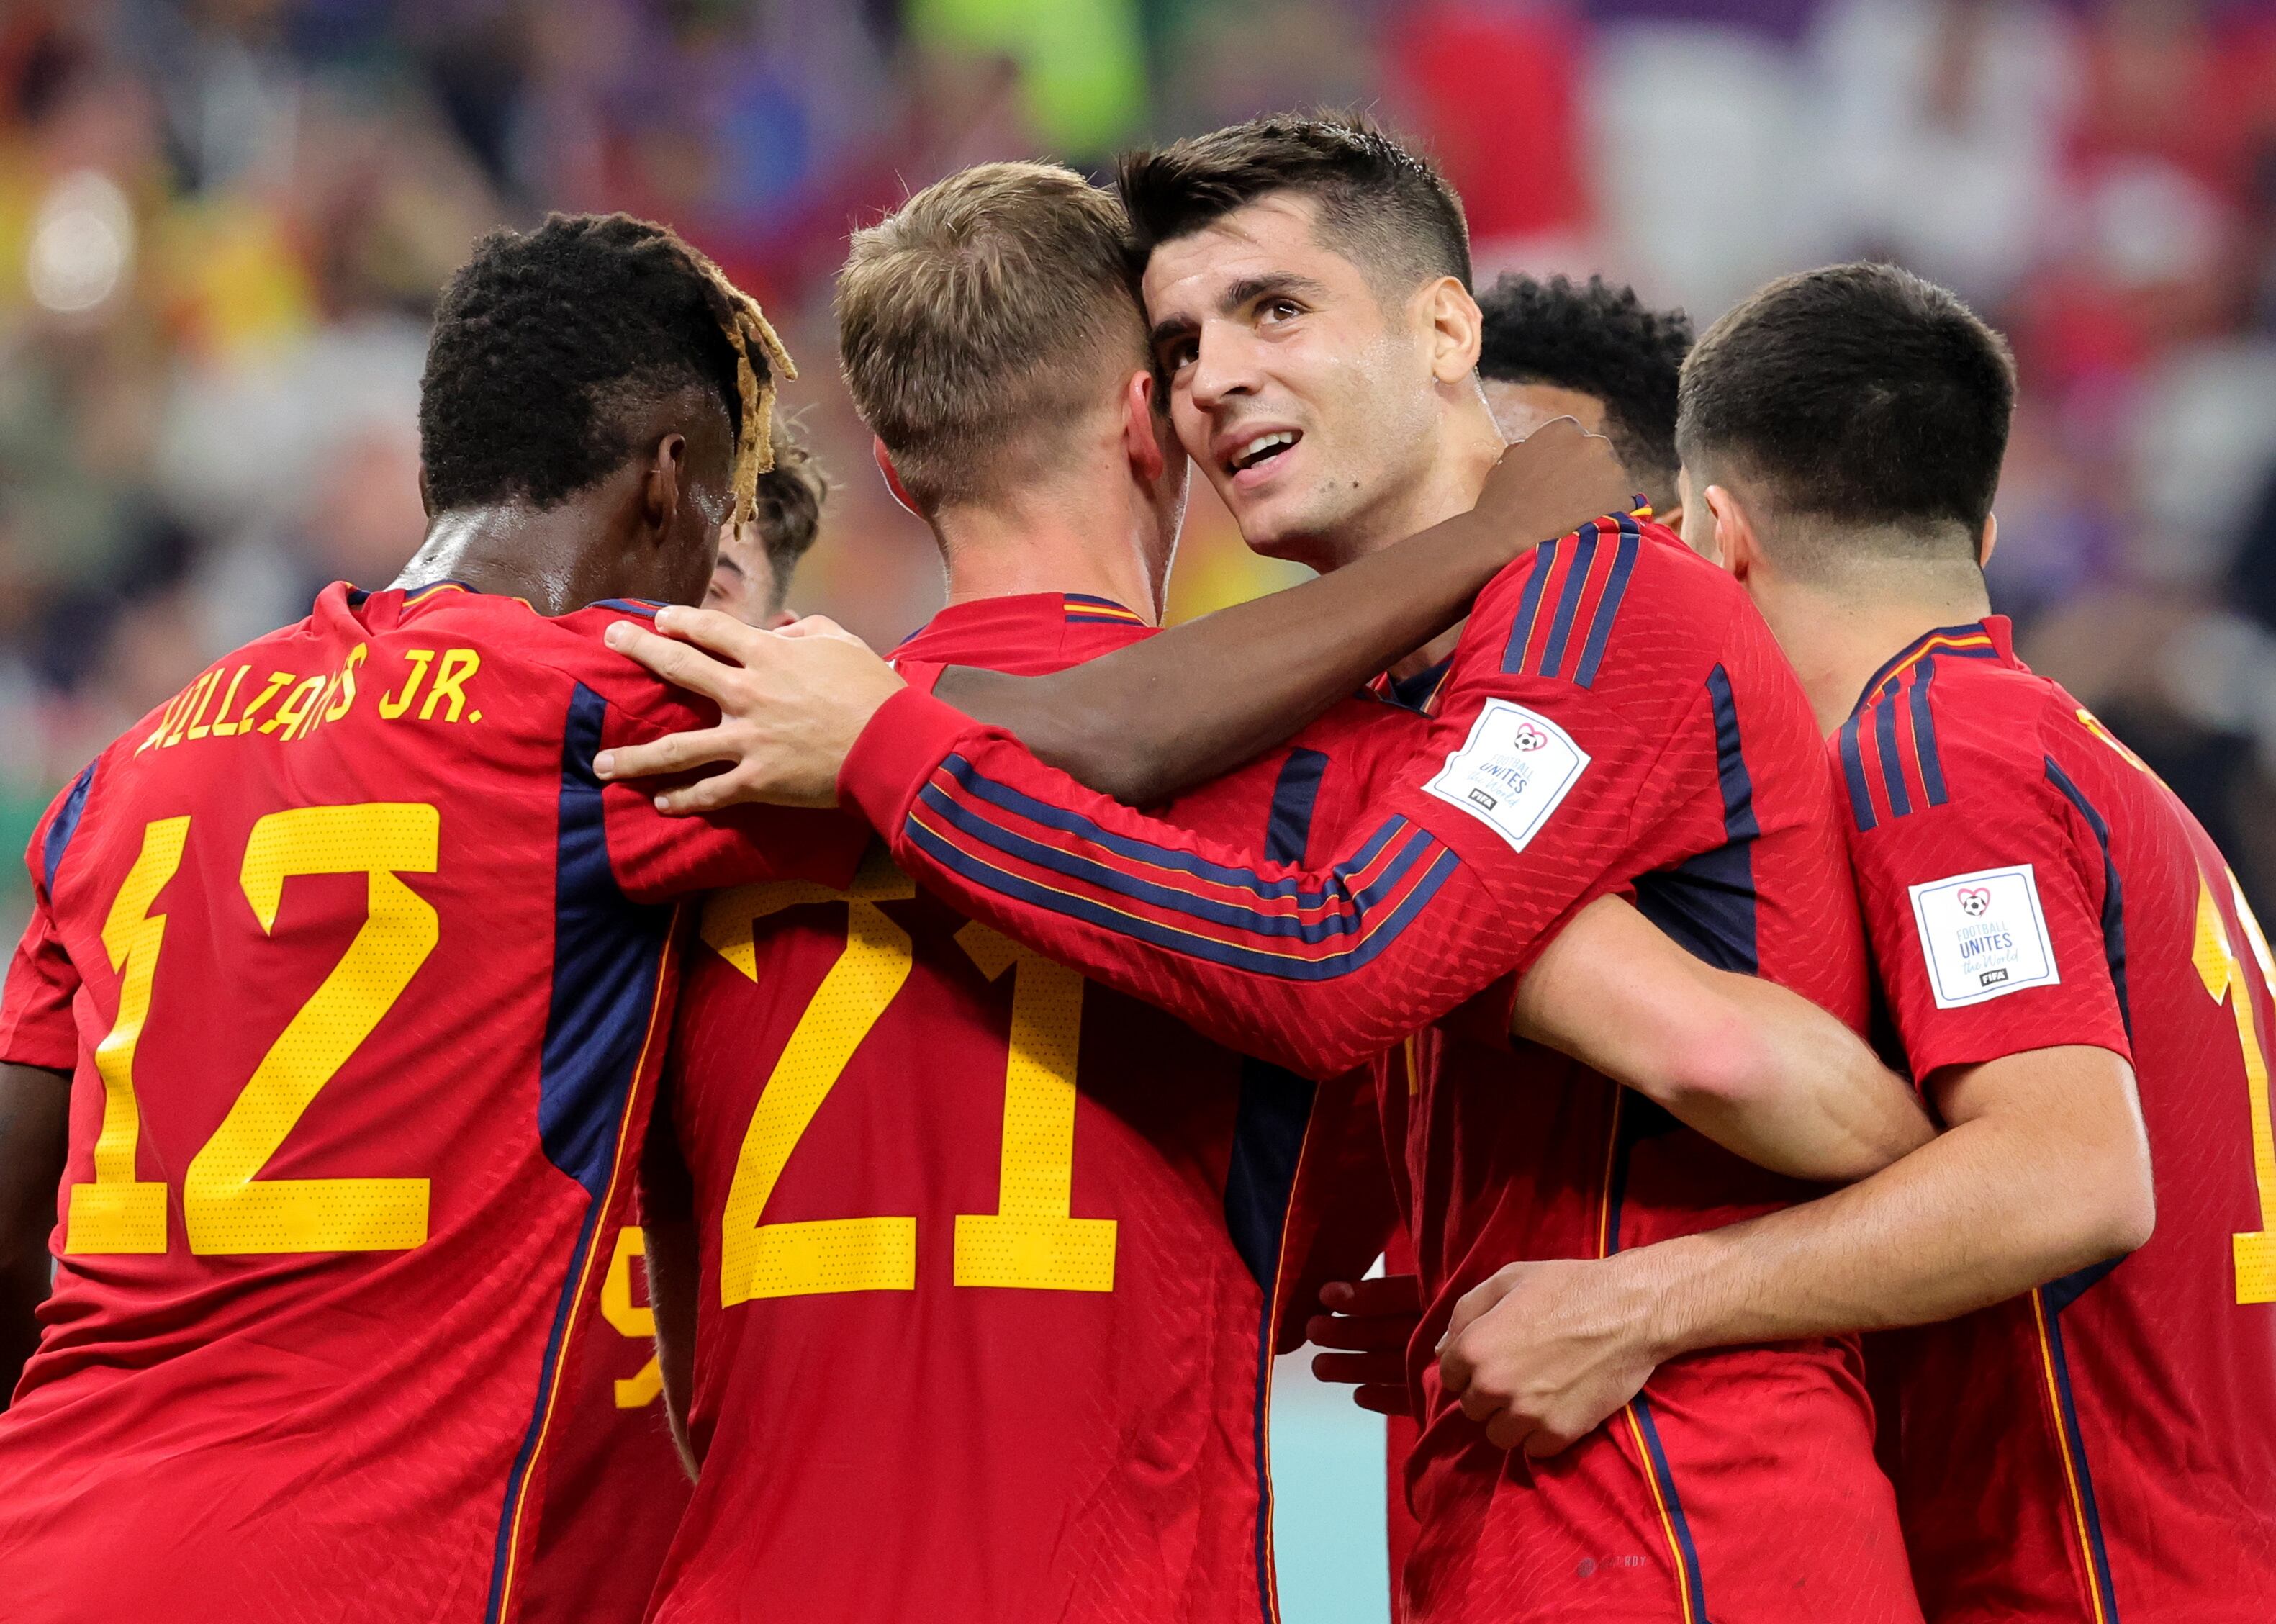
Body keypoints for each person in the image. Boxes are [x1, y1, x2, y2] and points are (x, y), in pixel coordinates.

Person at [0, 202, 1554, 1621]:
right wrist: (1485, 549)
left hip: (65, 1528)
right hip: (378, 1559)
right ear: (673, 476)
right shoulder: (601, 716)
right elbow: (1108, 747)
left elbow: (20, 1216)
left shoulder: (132, 763)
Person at [597, 115, 1932, 1623]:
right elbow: (1722, 1054)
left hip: (1664, 1532)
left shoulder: (699, 769)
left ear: (896, 475)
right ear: (1143, 420)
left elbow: (1352, 961)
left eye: (1273, 308)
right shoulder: (1337, 770)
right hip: (1258, 1559)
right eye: (1183, 342)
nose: (1219, 371)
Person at [1432, 263, 2276, 1624]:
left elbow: (2071, 1177)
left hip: (2094, 1579)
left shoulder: (1935, 756)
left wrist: (1639, 1302)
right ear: (1982, 526)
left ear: (1715, 534)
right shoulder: (2069, 751)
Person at [520, 420, 834, 1624]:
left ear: (781, 647)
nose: (645, 628)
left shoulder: (826, 904)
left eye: (708, 591)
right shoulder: (463, 853)